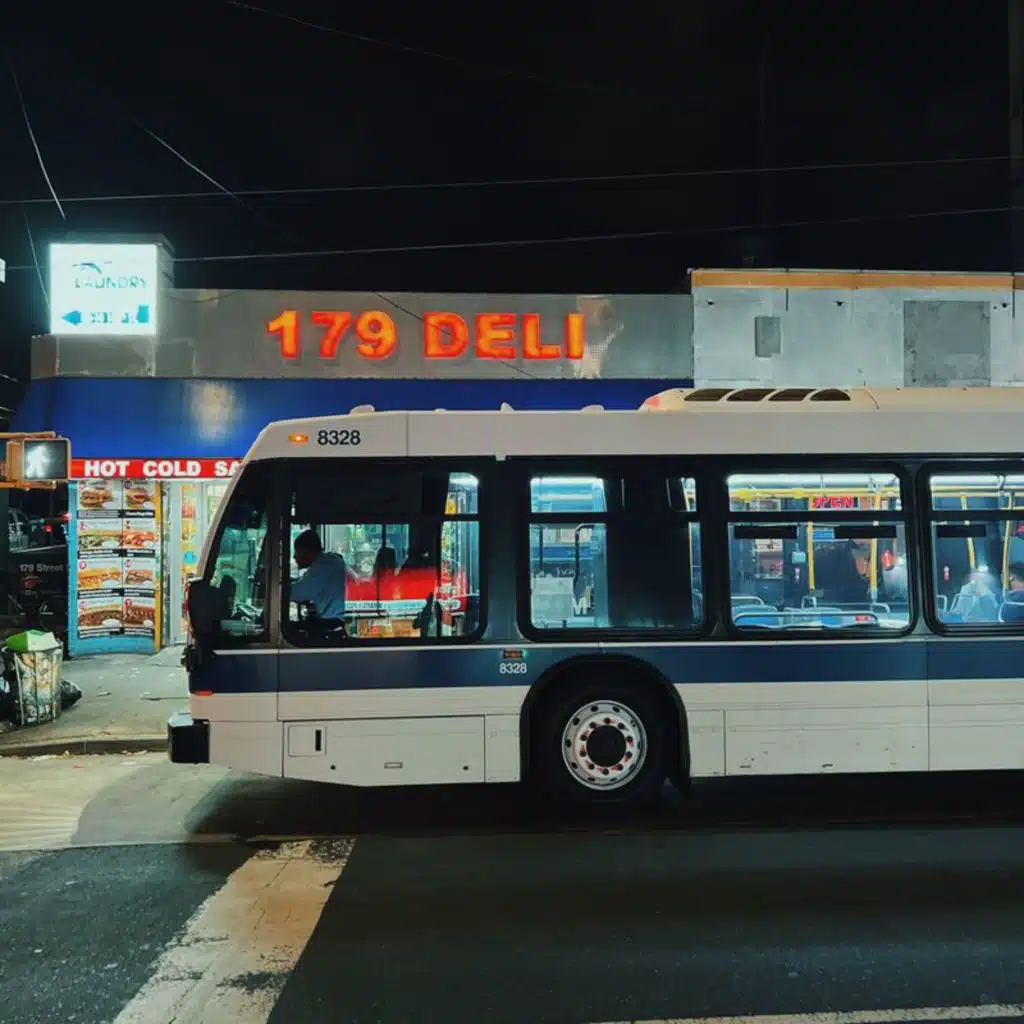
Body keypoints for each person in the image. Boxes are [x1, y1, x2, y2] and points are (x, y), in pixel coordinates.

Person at [291, 529, 356, 622]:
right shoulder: (332, 560)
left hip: (335, 624)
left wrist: (276, 587)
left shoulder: (322, 567)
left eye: (297, 551)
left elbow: (297, 593)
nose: (294, 556)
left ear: (306, 551)